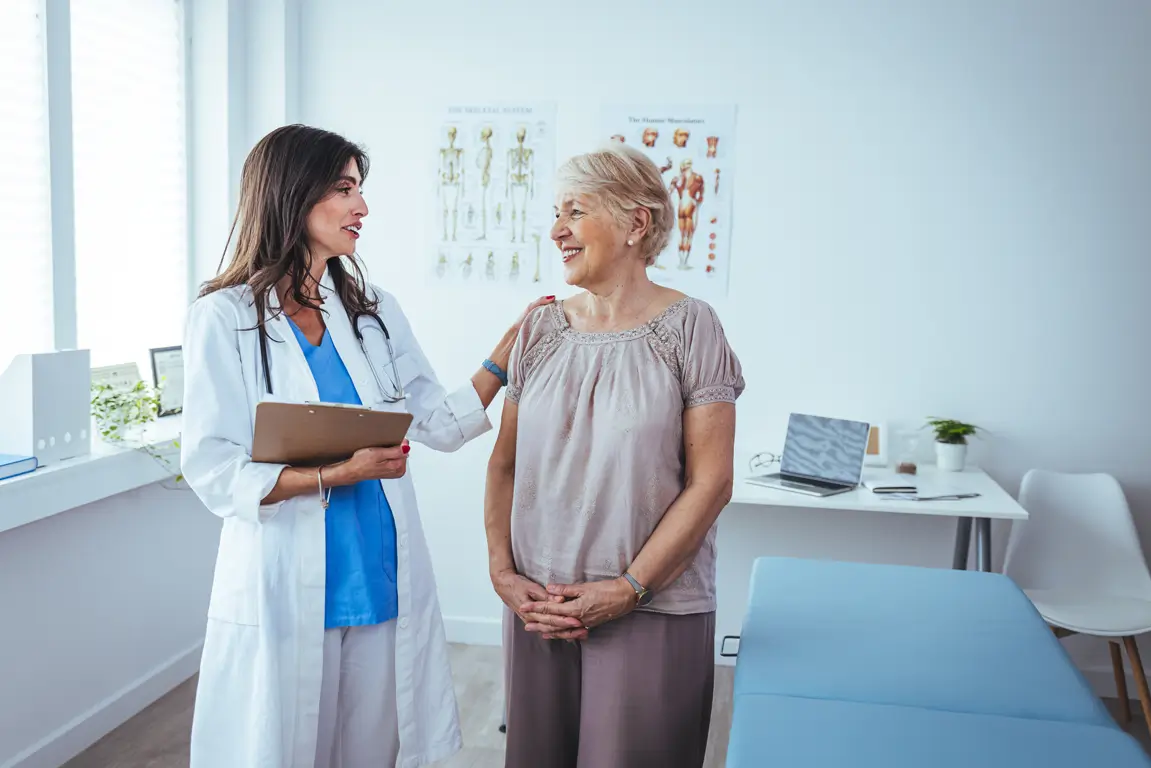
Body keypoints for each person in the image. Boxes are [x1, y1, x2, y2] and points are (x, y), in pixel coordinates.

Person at [180, 123, 552, 768]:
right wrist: (334, 474)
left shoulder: (372, 309)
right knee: (286, 746)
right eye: (344, 188)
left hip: (377, 565)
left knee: (369, 750)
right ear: (293, 195)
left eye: (361, 189)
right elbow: (213, 467)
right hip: (288, 571)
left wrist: (506, 350)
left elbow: (436, 420)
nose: (362, 207)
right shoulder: (226, 317)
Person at [484, 142, 745, 768]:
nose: (556, 230)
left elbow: (711, 482)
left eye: (574, 211)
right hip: (538, 607)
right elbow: (504, 465)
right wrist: (502, 573)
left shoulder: (691, 328)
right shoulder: (540, 329)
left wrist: (628, 588)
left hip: (649, 609)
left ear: (636, 223)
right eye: (554, 212)